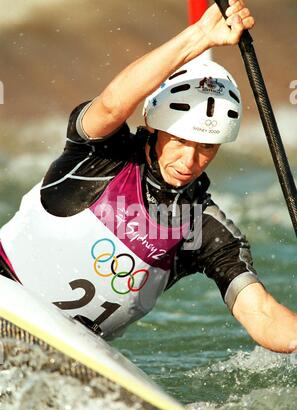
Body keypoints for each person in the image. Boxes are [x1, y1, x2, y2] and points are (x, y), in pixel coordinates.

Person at [0, 0, 296, 351]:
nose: (190, 159)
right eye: (181, 140)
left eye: (207, 147)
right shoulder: (99, 155)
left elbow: (260, 312)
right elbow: (112, 103)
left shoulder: (198, 226)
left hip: (66, 356)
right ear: (154, 128)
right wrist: (200, 35)